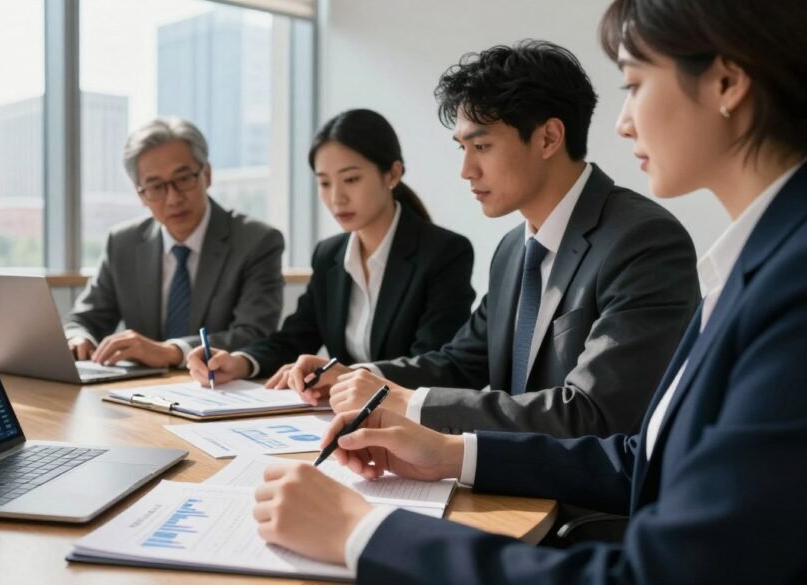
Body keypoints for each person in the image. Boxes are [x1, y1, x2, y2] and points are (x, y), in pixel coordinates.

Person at [253, 0, 807, 581]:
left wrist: (361, 531)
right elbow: (639, 458)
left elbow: (606, 437)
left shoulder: (675, 247)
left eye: (635, 84)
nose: (623, 122)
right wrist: (446, 450)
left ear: (726, 82)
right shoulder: (522, 250)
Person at [286, 40, 700, 439]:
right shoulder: (512, 251)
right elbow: (461, 363)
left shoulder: (642, 241)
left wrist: (408, 403)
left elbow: (593, 414)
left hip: (586, 506)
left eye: (481, 146)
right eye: (462, 148)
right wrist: (361, 377)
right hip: (504, 483)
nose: (466, 170)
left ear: (548, 138)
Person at [187, 109, 475, 387]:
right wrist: (240, 362)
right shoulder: (329, 255)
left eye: (351, 179)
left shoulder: (445, 253)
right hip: (342, 416)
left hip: (407, 421)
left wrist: (346, 376)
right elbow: (295, 339)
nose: (336, 198)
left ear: (392, 174)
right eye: (324, 183)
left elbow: (432, 364)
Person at [64, 117, 285, 368]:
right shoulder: (122, 243)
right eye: (156, 186)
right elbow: (83, 320)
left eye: (183, 179)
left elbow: (254, 334)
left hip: (221, 392)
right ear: (141, 195)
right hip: (137, 393)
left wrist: (173, 352)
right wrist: (77, 338)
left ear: (207, 175)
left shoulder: (257, 241)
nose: (173, 198)